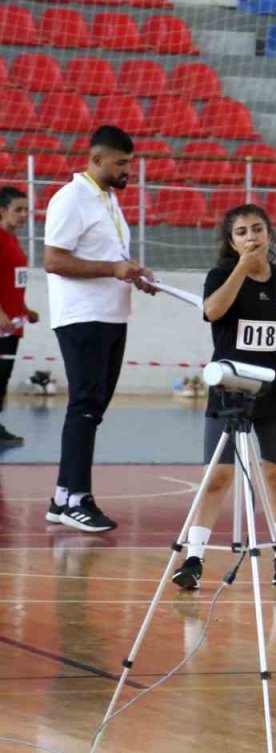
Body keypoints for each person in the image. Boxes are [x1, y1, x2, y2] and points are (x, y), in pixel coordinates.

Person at [170, 204, 276, 591]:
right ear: (231, 240)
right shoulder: (222, 275)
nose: (252, 237)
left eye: (257, 229)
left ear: (270, 234)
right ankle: (193, 557)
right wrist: (241, 268)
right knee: (217, 475)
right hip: (230, 389)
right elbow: (212, 310)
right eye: (241, 232)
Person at [43, 125, 157, 533]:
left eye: (131, 162)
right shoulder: (71, 199)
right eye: (121, 163)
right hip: (82, 317)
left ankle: (61, 497)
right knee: (86, 406)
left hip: (111, 315)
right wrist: (112, 269)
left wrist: (133, 273)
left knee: (95, 407)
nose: (129, 170)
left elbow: (110, 258)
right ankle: (78, 498)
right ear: (95, 159)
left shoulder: (106, 200)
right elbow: (54, 260)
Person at [0, 186, 37, 445]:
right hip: (2, 324)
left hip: (14, 324)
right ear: (2, 211)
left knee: (3, 377)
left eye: (26, 210)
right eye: (18, 210)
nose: (24, 215)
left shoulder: (12, 240)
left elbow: (12, 282)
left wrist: (24, 309)